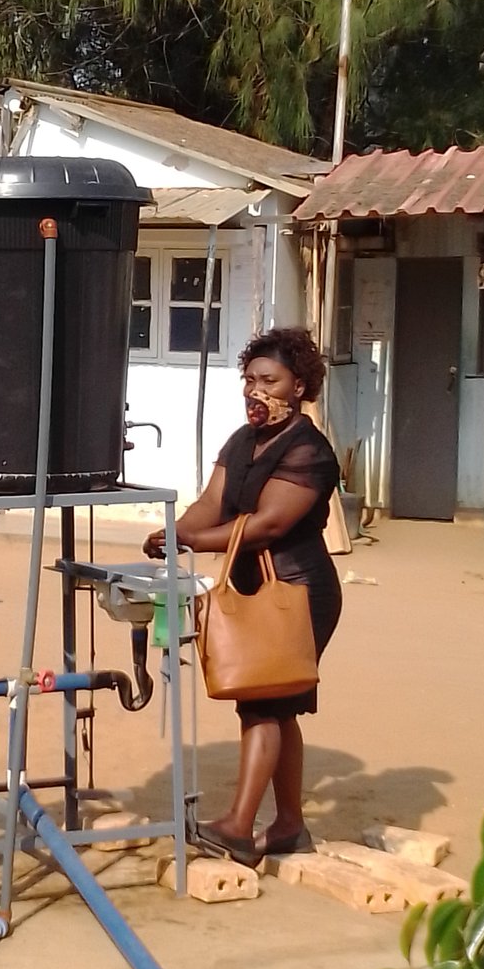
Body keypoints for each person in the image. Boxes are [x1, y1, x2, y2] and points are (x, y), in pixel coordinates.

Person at [145, 327, 342, 869]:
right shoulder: (242, 440)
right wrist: (173, 532)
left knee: (263, 703)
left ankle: (237, 826)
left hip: (298, 590)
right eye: (250, 380)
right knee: (282, 705)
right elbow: (211, 504)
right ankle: (290, 826)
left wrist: (191, 541)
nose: (256, 391)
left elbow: (268, 524)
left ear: (298, 386)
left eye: (269, 381)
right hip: (252, 585)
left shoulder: (309, 451)